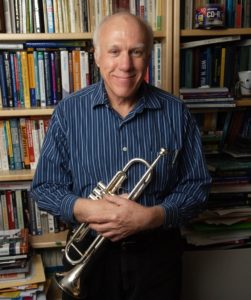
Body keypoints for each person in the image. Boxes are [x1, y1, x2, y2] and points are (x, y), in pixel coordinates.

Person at [31, 12, 211, 300]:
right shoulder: (69, 112)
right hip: (89, 259)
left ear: (148, 57)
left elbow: (197, 188)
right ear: (97, 56)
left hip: (157, 258)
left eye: (136, 52)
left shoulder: (177, 113)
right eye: (114, 51)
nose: (125, 65)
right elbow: (44, 188)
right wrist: (86, 209)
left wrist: (152, 217)